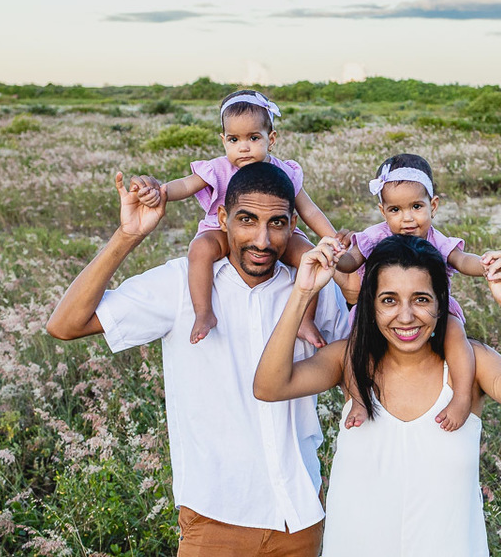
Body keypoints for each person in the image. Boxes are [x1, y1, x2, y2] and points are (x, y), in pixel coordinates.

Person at [46, 162, 351, 556]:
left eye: (277, 223)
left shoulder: (316, 287)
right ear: (222, 218)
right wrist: (128, 235)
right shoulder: (180, 284)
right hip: (215, 517)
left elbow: (352, 377)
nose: (262, 239)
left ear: (294, 225)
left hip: (300, 513)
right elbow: (65, 324)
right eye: (246, 220)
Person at [253, 234, 501, 557]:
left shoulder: (470, 368)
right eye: (389, 300)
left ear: (440, 302)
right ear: (371, 304)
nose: (405, 316)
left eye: (421, 299)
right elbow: (269, 386)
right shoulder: (350, 361)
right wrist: (304, 292)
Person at [136, 90, 341, 346]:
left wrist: (332, 239)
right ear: (223, 140)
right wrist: (160, 191)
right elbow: (187, 185)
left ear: (271, 138)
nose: (243, 147)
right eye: (234, 139)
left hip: (277, 233)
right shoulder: (219, 168)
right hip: (220, 231)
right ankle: (204, 313)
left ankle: (305, 319)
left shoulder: (284, 171)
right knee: (199, 249)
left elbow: (309, 210)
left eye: (253, 138)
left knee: (309, 258)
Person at [333, 153, 500, 431]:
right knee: (355, 345)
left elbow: (461, 260)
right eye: (395, 210)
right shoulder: (376, 235)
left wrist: (485, 265)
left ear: (433, 206)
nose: (407, 218)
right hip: (380, 310)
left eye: (416, 207)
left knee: (456, 331)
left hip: (430, 310)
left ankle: (461, 397)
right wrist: (335, 257)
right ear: (383, 210)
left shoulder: (437, 239)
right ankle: (359, 399)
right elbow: (352, 261)